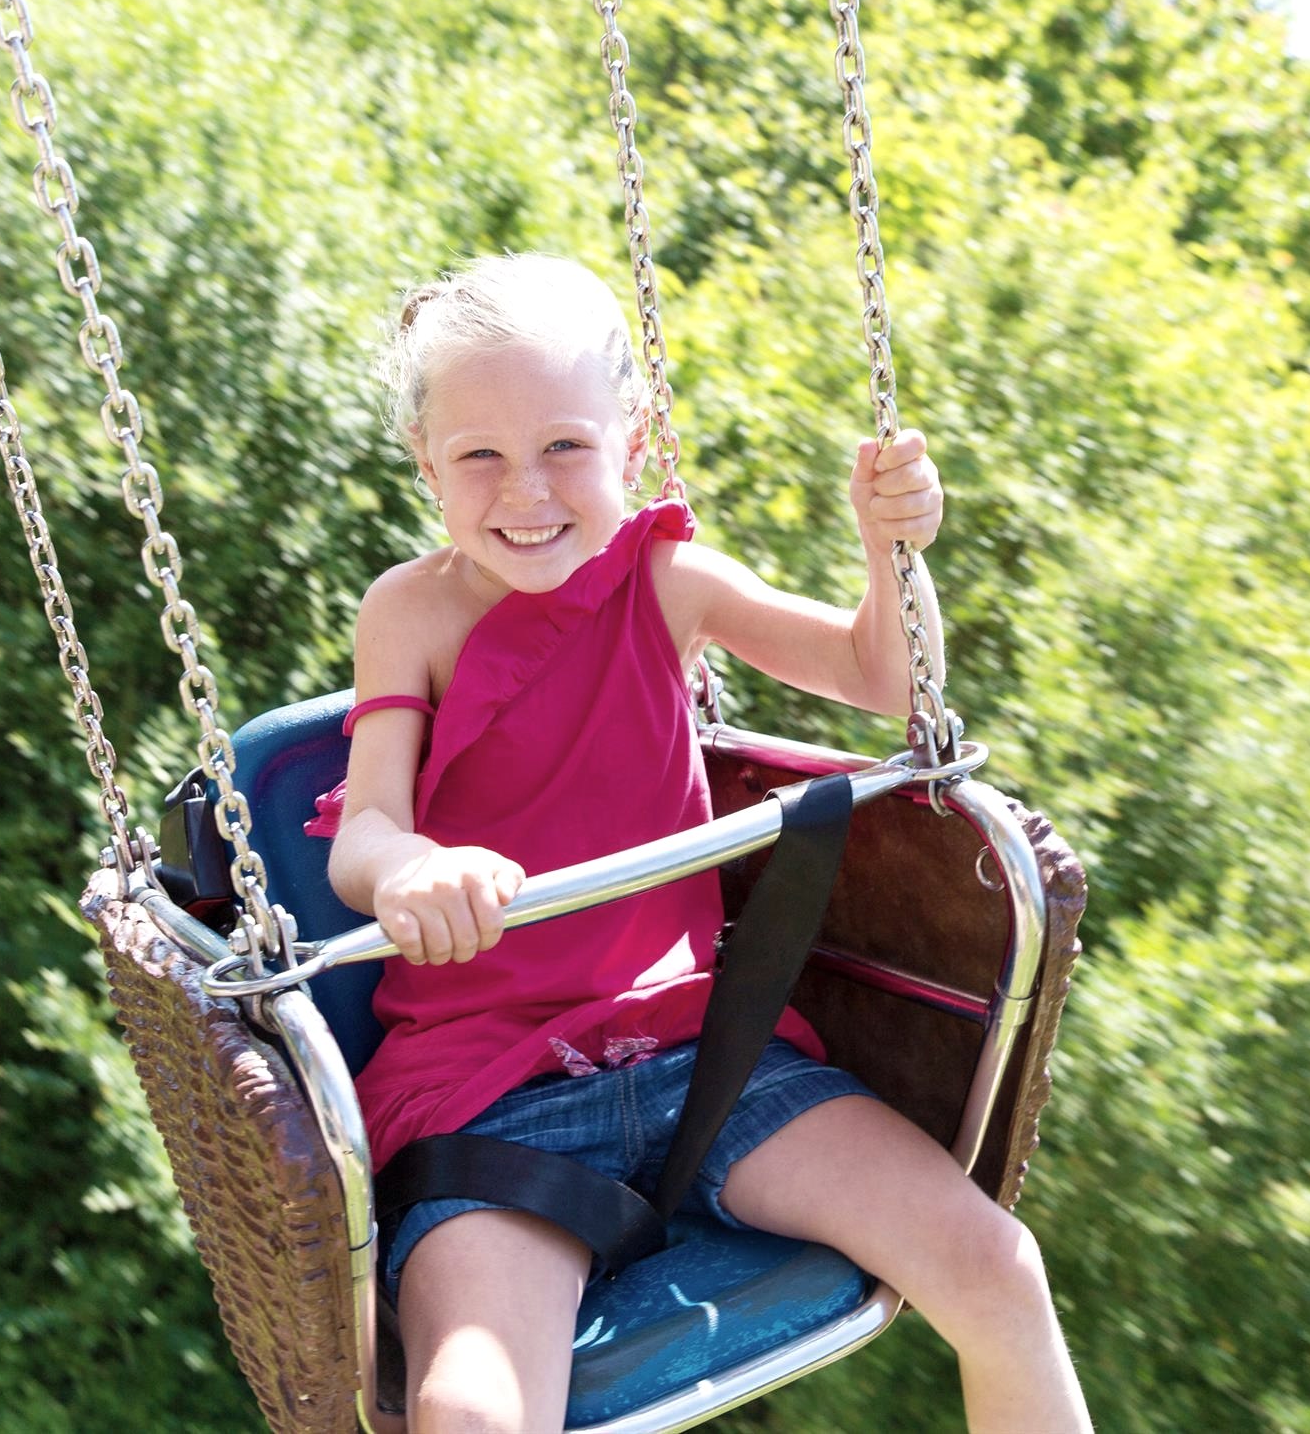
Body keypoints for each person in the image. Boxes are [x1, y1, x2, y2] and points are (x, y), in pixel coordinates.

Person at [321, 255, 1090, 1434]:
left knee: (997, 1267)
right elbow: (365, 824)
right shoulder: (408, 611)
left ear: (631, 441)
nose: (526, 490)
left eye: (565, 445)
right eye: (479, 455)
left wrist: (890, 548)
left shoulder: (667, 580)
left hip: (703, 1054)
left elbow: (882, 677)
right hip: (491, 1087)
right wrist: (408, 867)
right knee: (471, 1412)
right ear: (426, 462)